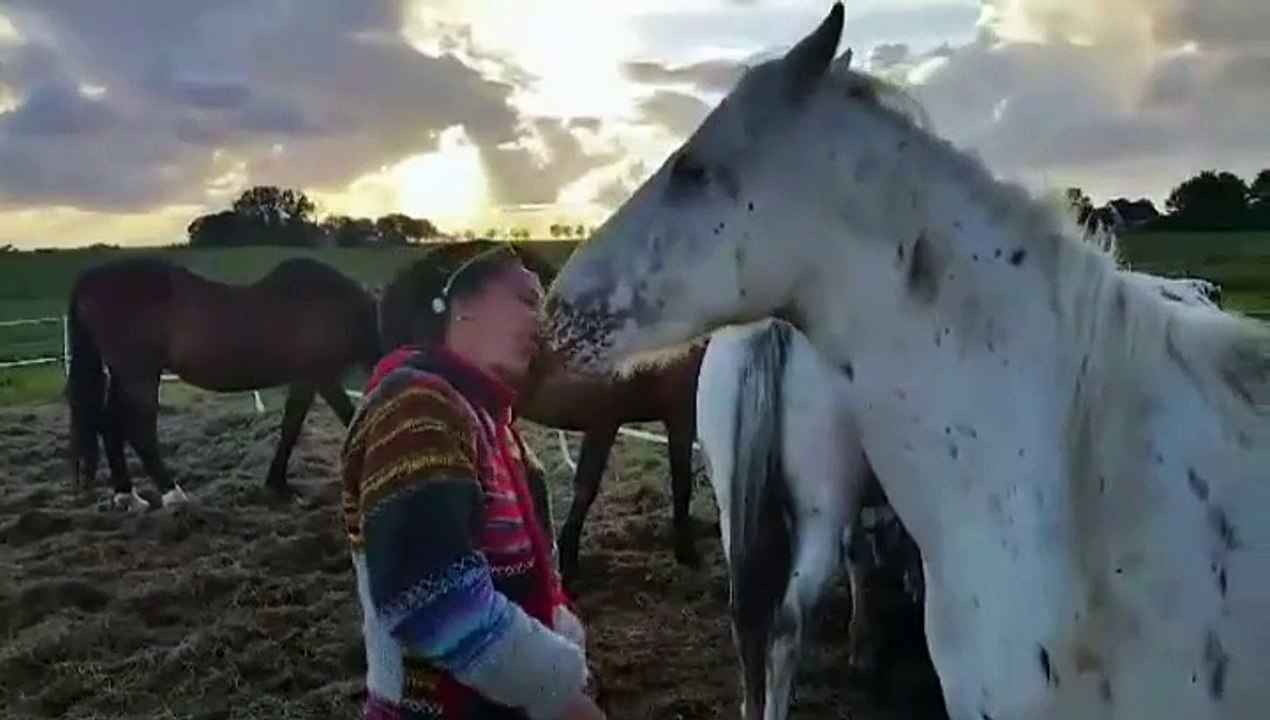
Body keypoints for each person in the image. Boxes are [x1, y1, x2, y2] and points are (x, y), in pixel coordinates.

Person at [341, 240, 604, 720]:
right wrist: (557, 689)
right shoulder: (416, 408)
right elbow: (430, 597)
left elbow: (529, 579)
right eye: (527, 300)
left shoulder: (485, 421)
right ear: (458, 304)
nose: (540, 323)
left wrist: (560, 640)